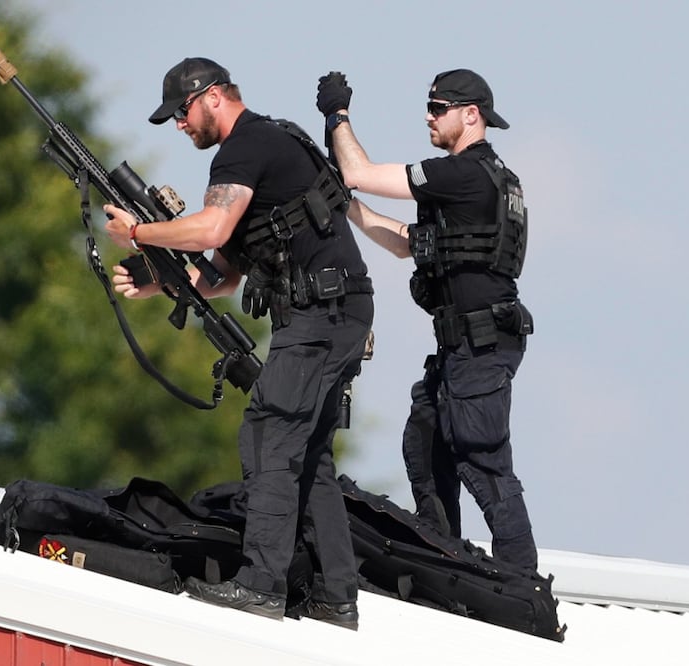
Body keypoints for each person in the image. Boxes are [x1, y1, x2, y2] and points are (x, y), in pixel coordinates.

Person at [105, 57, 373, 629]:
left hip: (320, 314)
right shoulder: (268, 147)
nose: (180, 125)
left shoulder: (245, 147)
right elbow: (222, 273)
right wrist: (157, 280)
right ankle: (335, 594)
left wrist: (137, 231)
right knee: (309, 454)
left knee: (269, 434)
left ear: (212, 98)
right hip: (332, 310)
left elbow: (210, 229)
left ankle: (260, 586)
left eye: (181, 112)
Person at [315, 69, 538, 573]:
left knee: (482, 461)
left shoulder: (463, 174)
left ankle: (522, 583)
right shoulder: (481, 181)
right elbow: (404, 242)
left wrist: (337, 116)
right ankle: (447, 561)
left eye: (438, 108)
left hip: (480, 344)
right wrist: (346, 205)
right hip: (467, 346)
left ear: (470, 115)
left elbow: (358, 170)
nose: (428, 116)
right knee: (426, 442)